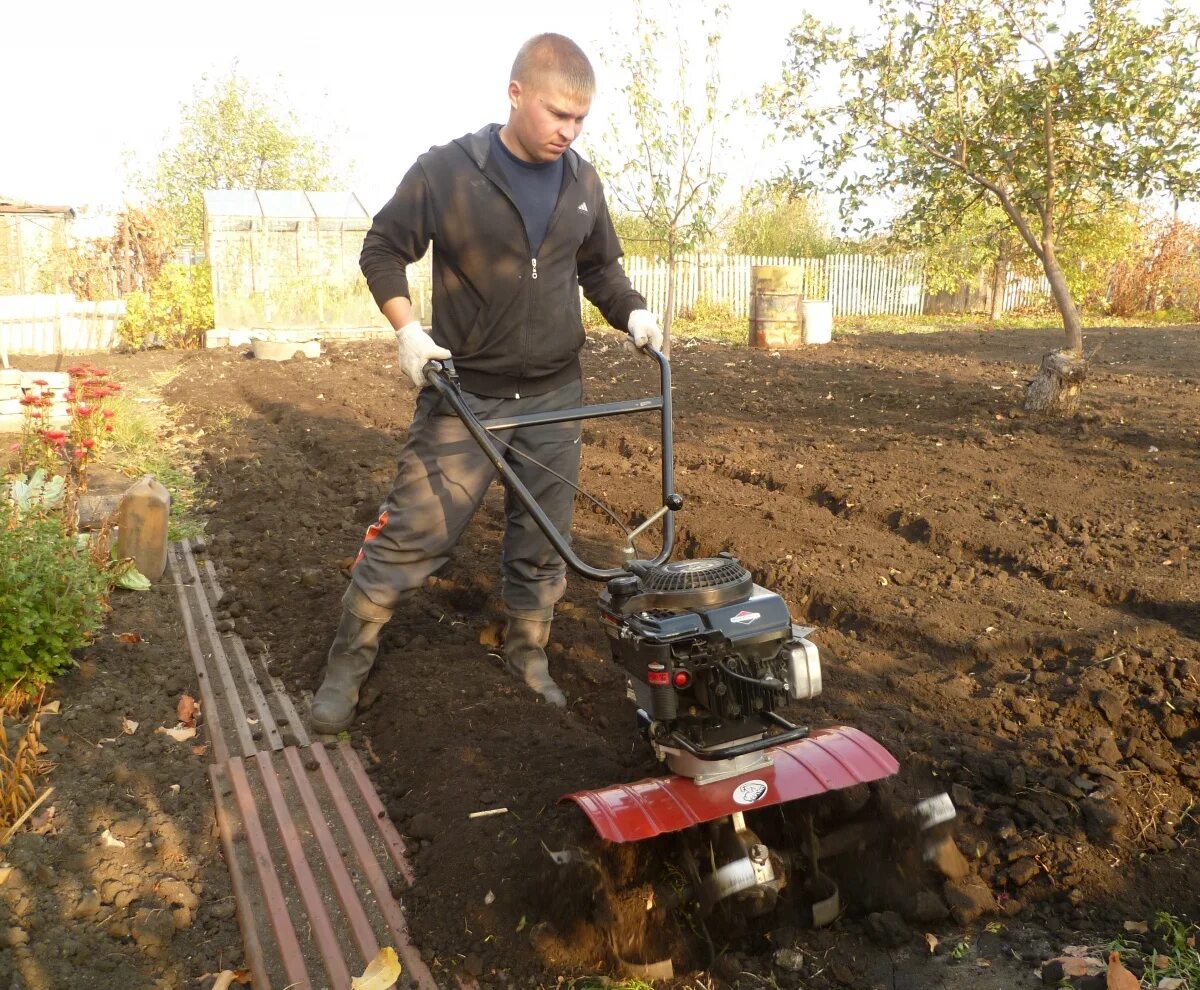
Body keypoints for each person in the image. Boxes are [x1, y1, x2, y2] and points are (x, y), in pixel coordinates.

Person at [310, 33, 663, 734]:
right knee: (415, 532)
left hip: (556, 394)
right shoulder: (448, 172)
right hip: (465, 394)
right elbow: (382, 247)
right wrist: (408, 330)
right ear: (517, 94)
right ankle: (348, 662)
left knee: (543, 536)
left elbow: (599, 268)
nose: (570, 131)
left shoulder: (581, 183)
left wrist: (635, 312)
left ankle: (528, 655)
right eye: (559, 114)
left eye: (581, 120)